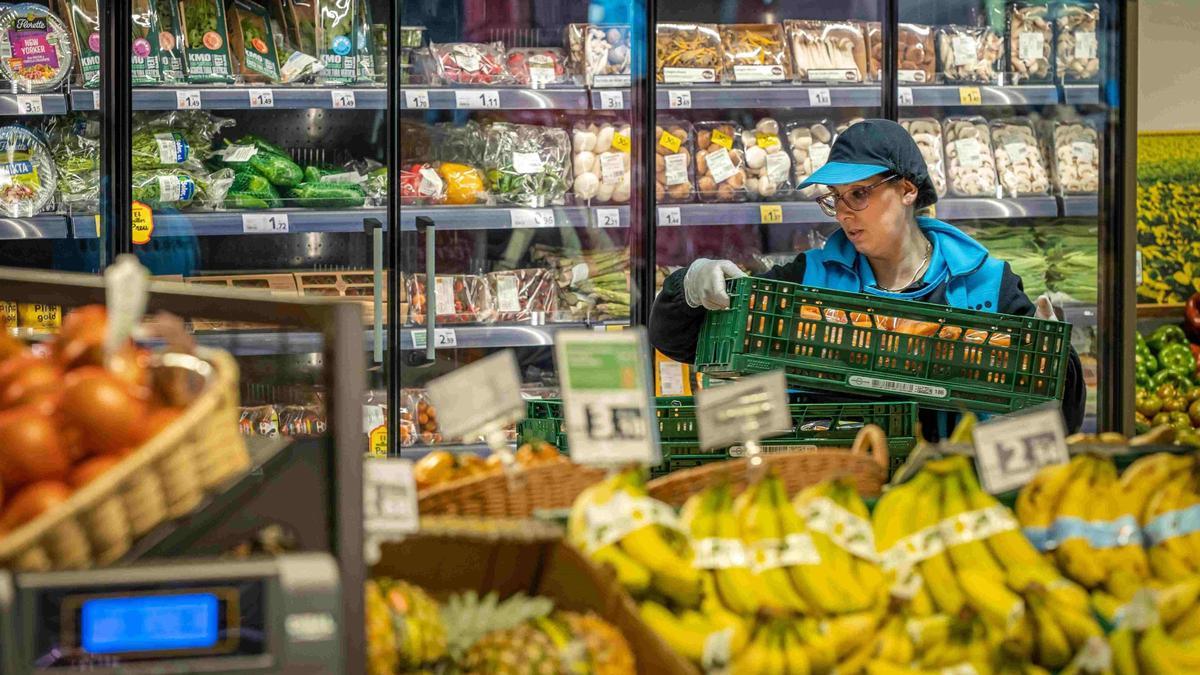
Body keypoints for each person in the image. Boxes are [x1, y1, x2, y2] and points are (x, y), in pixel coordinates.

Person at [649, 119, 1085, 438]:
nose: (843, 213)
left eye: (859, 194)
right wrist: (688, 288)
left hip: (957, 490)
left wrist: (1055, 363)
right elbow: (680, 343)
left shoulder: (987, 284)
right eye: (835, 200)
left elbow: (1057, 418)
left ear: (908, 190)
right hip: (837, 487)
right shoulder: (810, 279)